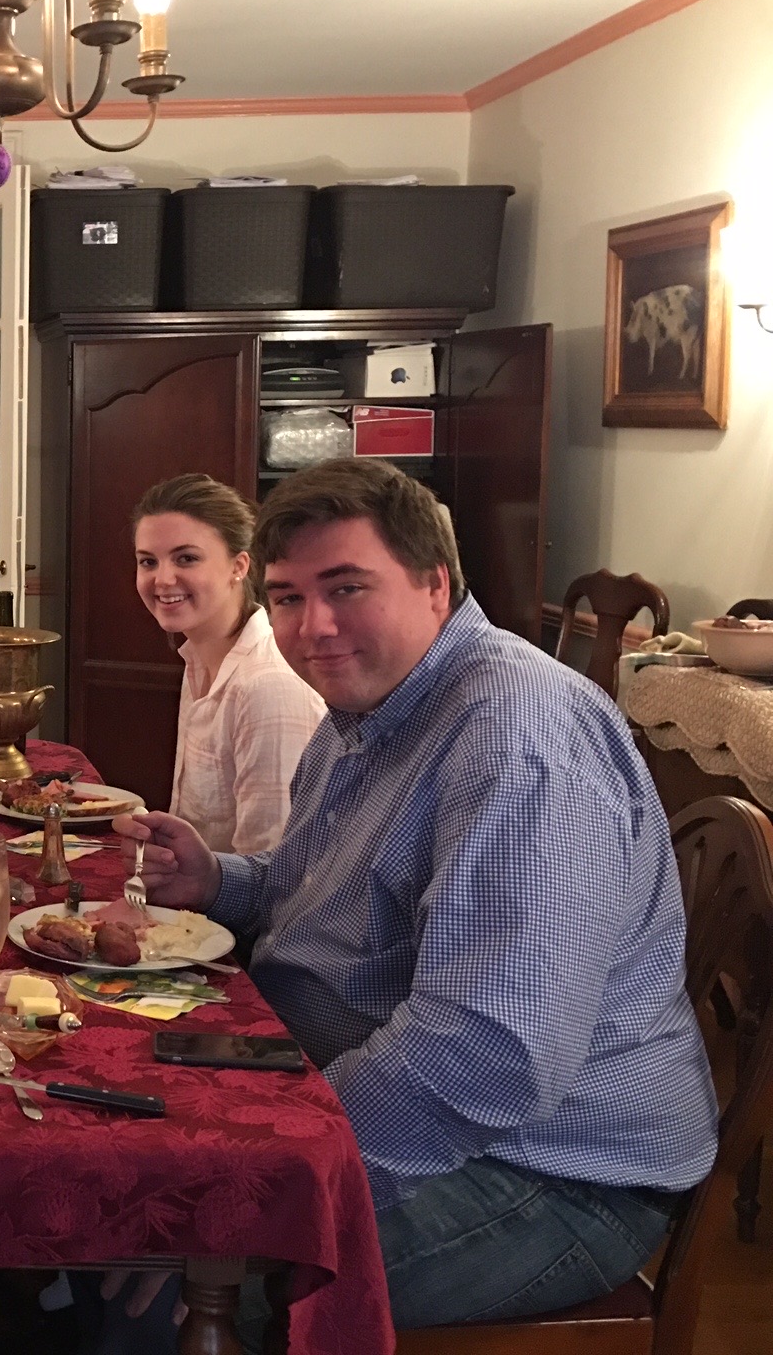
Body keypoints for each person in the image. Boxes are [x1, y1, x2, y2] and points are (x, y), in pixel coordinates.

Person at [96, 458, 718, 1342]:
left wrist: (280, 1167)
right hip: (382, 1092)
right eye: (287, 598)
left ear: (435, 582)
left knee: (165, 1264)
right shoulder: (371, 706)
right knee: (104, 1151)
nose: (314, 627)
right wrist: (220, 881)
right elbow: (309, 886)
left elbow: (487, 1050)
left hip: (545, 1171)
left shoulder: (514, 737)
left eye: (347, 587)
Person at [133, 475, 323, 857]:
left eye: (186, 558)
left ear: (239, 566)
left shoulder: (268, 687)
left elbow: (273, 868)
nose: (163, 579)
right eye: (148, 562)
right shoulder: (199, 660)